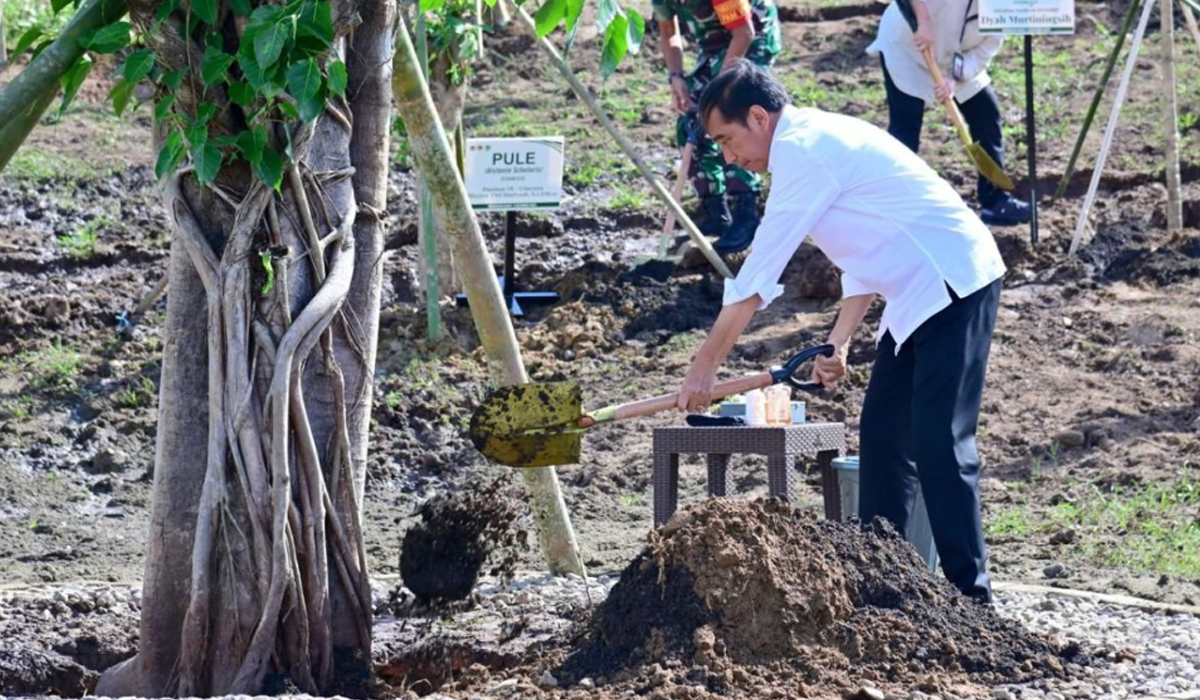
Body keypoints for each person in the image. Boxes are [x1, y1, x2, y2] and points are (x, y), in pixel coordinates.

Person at [675, 61, 1005, 602]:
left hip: (954, 278)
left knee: (940, 439)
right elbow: (863, 254)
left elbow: (757, 277)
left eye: (728, 141)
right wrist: (841, 339)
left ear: (759, 117)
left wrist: (704, 366)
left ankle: (972, 598)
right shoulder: (811, 145)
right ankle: (887, 587)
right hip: (913, 290)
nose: (731, 158)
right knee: (883, 437)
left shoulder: (805, 151)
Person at [866, 0, 1030, 226]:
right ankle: (894, 206)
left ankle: (995, 201)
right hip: (907, 48)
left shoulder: (1003, 9)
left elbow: (983, 51)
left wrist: (954, 79)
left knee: (986, 114)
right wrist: (922, 22)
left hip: (955, 60)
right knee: (906, 129)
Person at [654, 0, 782, 253]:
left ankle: (746, 211)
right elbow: (669, 31)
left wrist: (719, 90)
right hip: (714, 44)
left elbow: (744, 32)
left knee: (730, 113)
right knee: (690, 121)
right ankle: (716, 215)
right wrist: (676, 76)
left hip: (753, 35)